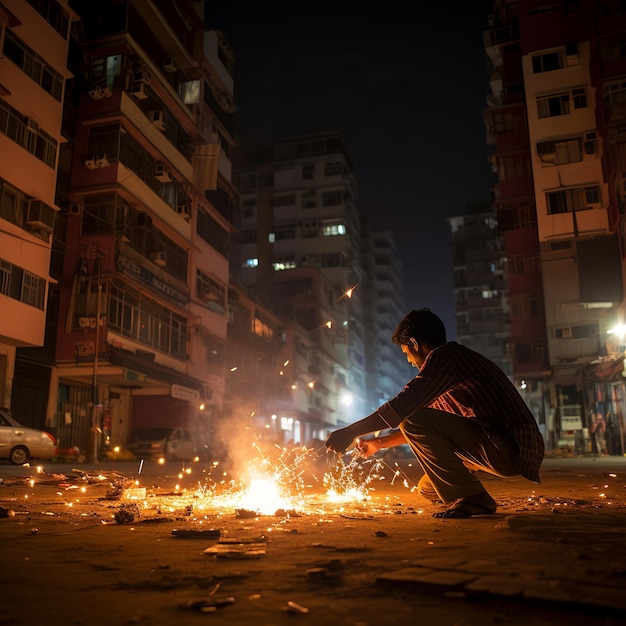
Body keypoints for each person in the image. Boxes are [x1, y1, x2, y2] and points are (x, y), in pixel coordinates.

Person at [325, 308, 545, 519]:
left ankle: (474, 497)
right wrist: (379, 444)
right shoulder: (447, 372)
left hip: (510, 447)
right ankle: (466, 494)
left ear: (414, 343)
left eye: (406, 353)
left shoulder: (445, 358)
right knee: (429, 489)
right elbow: (428, 428)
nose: (410, 361)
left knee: (410, 416)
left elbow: (403, 410)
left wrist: (350, 431)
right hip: (500, 446)